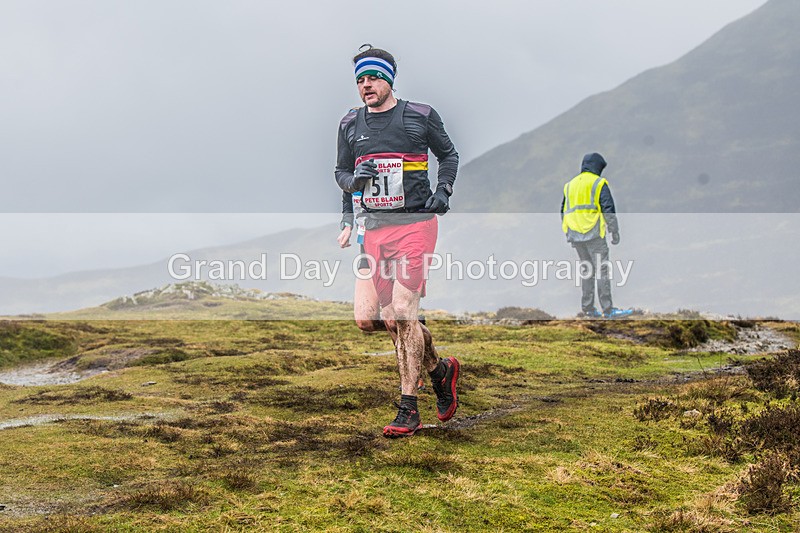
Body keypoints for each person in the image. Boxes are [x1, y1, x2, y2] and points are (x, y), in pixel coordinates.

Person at [335, 45, 460, 438]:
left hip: (415, 223)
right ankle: (441, 371)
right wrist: (350, 192)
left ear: (388, 79)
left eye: (371, 77)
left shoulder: (419, 116)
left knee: (404, 311)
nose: (365, 85)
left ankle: (408, 409)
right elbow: (341, 172)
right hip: (374, 229)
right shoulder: (350, 124)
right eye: (359, 80)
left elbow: (449, 155)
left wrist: (444, 189)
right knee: (383, 319)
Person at [337, 191, 426, 390]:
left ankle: (414, 371)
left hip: (399, 239)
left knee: (394, 318)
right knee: (365, 320)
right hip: (367, 243)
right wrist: (347, 224)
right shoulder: (354, 162)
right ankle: (415, 327)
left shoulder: (390, 159)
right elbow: (347, 192)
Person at [561, 153, 632, 319]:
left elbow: (563, 210)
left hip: (575, 234)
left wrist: (569, 230)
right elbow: (608, 209)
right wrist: (614, 231)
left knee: (587, 270)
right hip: (593, 233)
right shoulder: (599, 183)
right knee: (602, 270)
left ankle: (588, 309)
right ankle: (608, 310)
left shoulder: (569, 185)